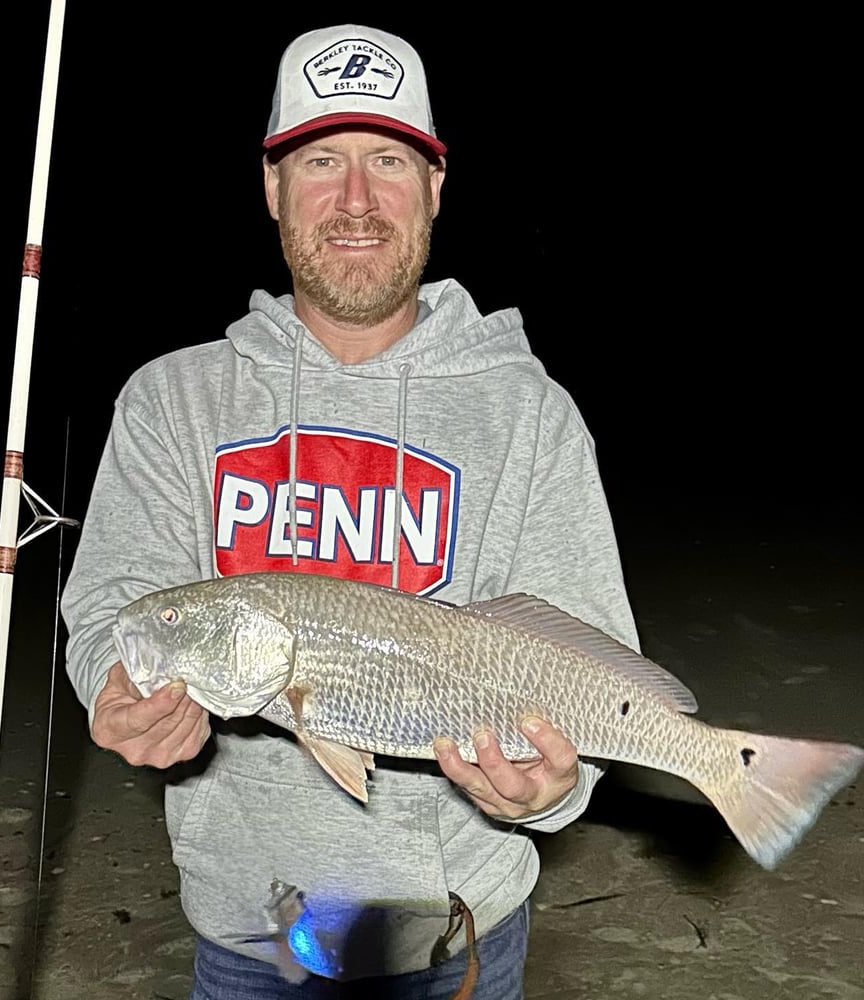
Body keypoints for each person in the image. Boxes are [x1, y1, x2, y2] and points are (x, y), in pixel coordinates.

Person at [61, 23, 640, 1000]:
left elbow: (586, 658)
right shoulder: (175, 399)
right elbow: (115, 604)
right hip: (248, 940)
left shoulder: (528, 414)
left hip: (457, 939)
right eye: (320, 161)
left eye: (389, 161)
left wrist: (558, 788)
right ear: (272, 187)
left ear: (436, 188)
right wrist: (116, 682)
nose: (357, 201)